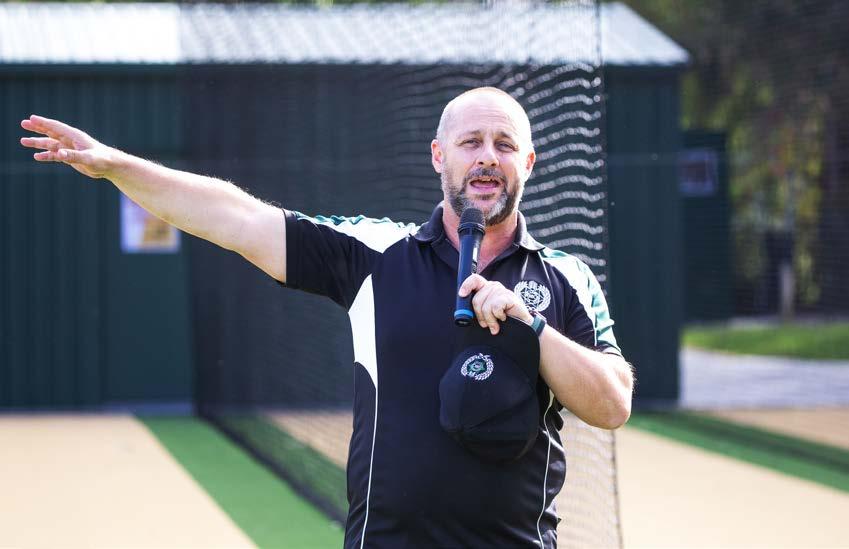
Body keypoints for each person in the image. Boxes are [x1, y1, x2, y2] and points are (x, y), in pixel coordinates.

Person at [21, 86, 633, 548]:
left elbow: (612, 404)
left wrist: (533, 329)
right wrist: (115, 164)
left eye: (504, 145)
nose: (487, 158)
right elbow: (239, 218)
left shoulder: (566, 278)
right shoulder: (377, 254)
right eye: (471, 143)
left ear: (529, 161)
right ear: (438, 156)